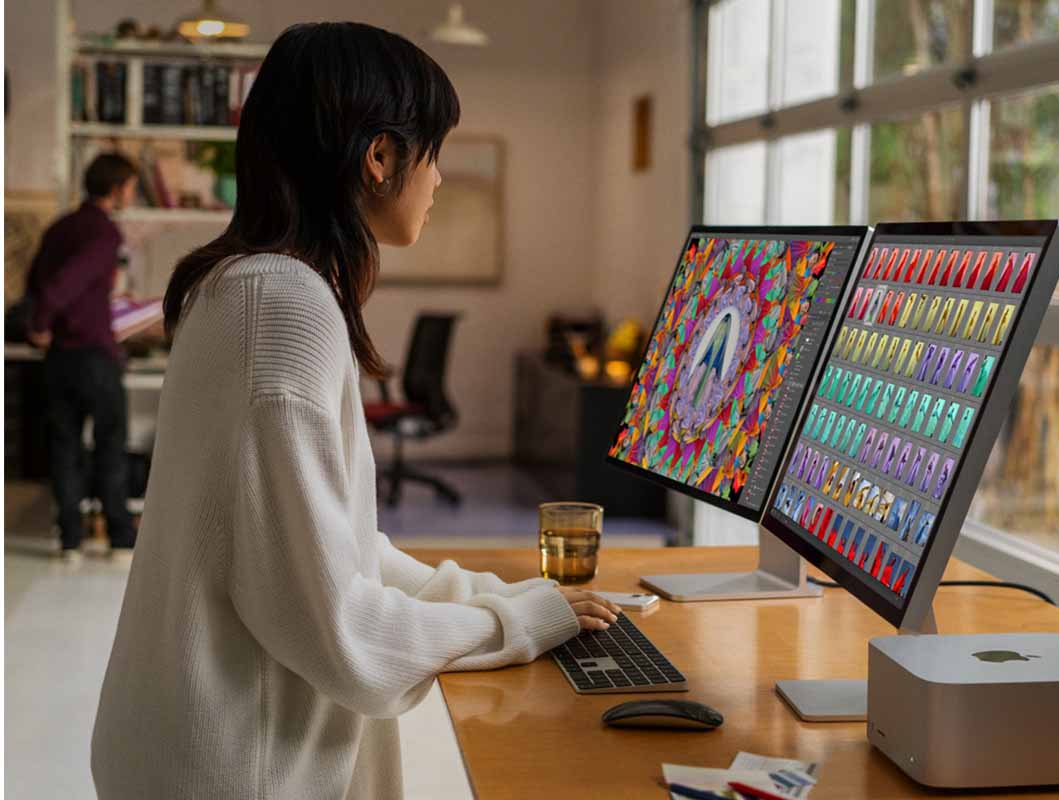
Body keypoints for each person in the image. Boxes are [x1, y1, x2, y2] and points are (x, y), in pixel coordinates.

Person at [91, 22, 619, 799]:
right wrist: (518, 623)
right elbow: (346, 633)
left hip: (195, 748)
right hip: (236, 772)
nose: (437, 179)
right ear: (378, 157)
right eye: (431, 152)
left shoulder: (241, 284)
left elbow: (336, 548)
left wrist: (497, 596)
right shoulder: (284, 305)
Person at [26, 153, 139, 562]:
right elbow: (67, 281)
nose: (131, 193)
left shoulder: (60, 227)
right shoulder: (104, 232)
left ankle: (70, 538)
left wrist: (40, 321)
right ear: (115, 188)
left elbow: (36, 279)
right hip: (94, 355)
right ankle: (119, 537)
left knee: (65, 445)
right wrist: (44, 318)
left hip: (59, 357)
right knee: (110, 444)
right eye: (129, 186)